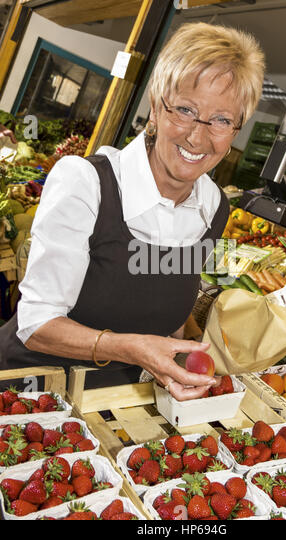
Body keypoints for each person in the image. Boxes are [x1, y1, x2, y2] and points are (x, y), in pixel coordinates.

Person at [0, 23, 265, 400]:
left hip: (115, 403)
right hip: (28, 397)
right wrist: (132, 349)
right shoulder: (87, 183)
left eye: (221, 120)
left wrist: (178, 366)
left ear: (236, 129)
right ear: (156, 107)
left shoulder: (213, 207)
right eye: (186, 110)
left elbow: (165, 312)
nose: (198, 136)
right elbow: (36, 323)